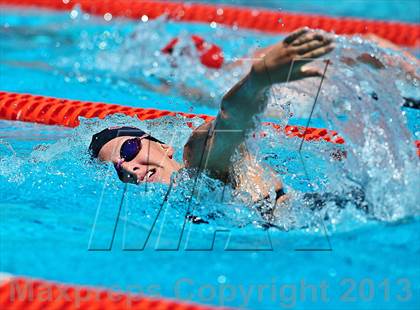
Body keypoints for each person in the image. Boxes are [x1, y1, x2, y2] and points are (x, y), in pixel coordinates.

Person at [89, 28, 335, 214]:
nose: (130, 168)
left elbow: (228, 122)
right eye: (118, 169)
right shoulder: (181, 203)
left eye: (128, 149)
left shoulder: (196, 160)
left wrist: (259, 80)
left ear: (164, 146)